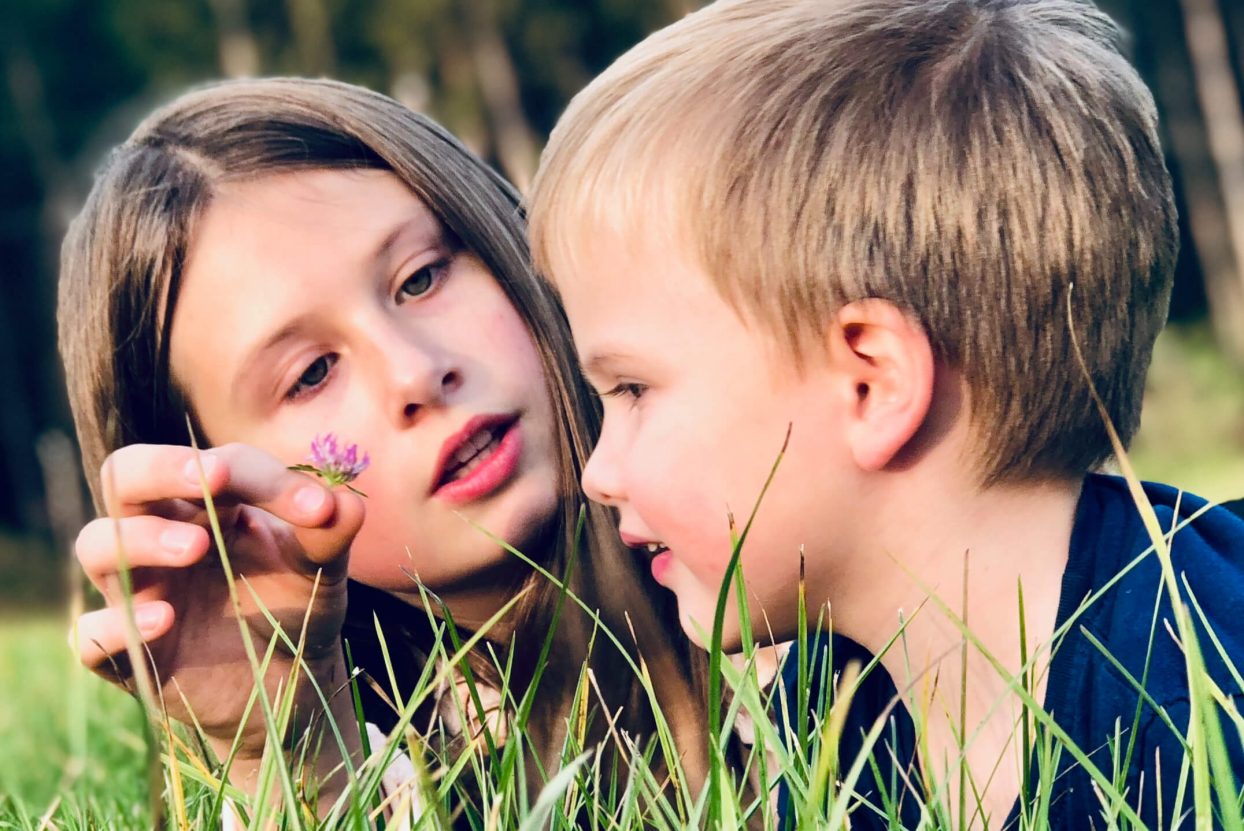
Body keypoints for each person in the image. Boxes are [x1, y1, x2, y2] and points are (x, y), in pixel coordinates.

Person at [527, 0, 1244, 827]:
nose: (598, 471)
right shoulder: (831, 711)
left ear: (872, 382)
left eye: (632, 391)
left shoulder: (1205, 689)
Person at [58, 76, 707, 822]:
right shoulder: (396, 766)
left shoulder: (793, 589)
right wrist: (286, 758)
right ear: (212, 503)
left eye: (421, 277)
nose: (415, 373)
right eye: (311, 374)